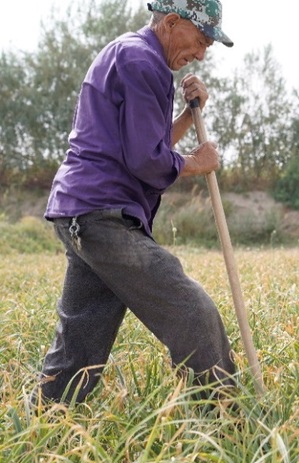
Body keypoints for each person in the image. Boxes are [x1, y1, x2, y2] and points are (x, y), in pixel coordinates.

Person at [37, 0, 237, 405]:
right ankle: (226, 425)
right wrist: (197, 164)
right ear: (171, 22)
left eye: (206, 47)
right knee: (192, 312)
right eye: (199, 40)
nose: (200, 53)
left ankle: (41, 427)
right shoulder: (142, 60)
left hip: (84, 215)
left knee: (78, 349)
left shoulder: (134, 55)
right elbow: (146, 158)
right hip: (102, 216)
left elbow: (146, 141)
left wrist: (187, 116)